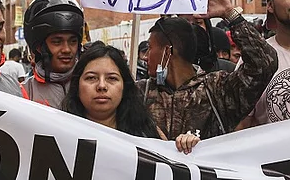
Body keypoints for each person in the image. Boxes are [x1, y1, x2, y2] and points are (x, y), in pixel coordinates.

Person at [139, 0, 278, 139]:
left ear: (167, 51)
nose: (146, 57)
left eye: (150, 48)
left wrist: (230, 14)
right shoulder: (141, 93)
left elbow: (265, 64)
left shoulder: (217, 90)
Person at [62, 43, 199, 153]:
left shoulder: (146, 131)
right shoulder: (59, 133)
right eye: (91, 78)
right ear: (77, 85)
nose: (102, 86)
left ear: (124, 86)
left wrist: (185, 148)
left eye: (112, 78)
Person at [23, 0, 85, 107]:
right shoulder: (22, 93)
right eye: (57, 42)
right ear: (39, 47)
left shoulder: (91, 87)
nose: (67, 49)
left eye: (73, 41)